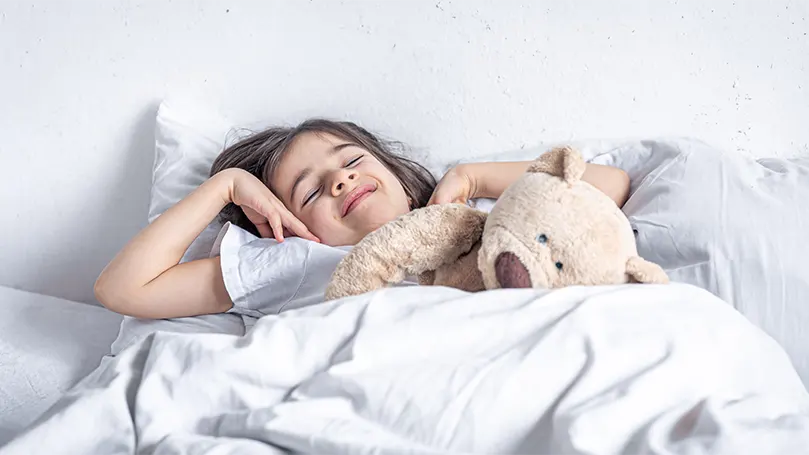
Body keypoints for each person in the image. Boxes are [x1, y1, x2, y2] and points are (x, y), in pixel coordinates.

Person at [94, 119, 630, 319]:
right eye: (310, 193)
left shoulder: (475, 215)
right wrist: (224, 188)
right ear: (284, 225)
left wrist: (471, 178)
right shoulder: (294, 261)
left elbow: (609, 191)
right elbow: (124, 290)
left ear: (396, 172)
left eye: (352, 162)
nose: (340, 181)